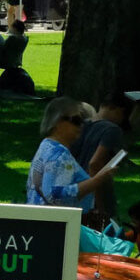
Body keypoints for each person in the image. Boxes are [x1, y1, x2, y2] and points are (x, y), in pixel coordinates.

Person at [27, 96, 124, 217]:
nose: (81, 126)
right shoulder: (59, 155)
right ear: (58, 122)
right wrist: (97, 180)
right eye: (76, 121)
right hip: (58, 226)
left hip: (38, 219)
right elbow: (56, 196)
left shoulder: (46, 146)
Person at [73, 97, 133, 227]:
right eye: (124, 115)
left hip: (75, 190)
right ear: (116, 109)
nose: (123, 120)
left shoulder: (82, 126)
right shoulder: (112, 130)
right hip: (94, 193)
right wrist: (101, 206)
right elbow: (95, 164)